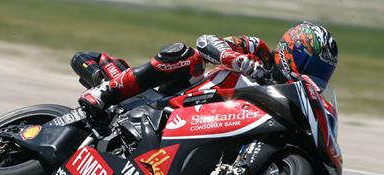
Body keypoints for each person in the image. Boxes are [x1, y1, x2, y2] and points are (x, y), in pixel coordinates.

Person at [70, 21, 338, 119]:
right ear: (292, 51)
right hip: (179, 99)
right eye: (313, 67)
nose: (315, 78)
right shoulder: (259, 51)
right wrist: (235, 59)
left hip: (217, 120)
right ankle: (107, 90)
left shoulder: (292, 97)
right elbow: (206, 41)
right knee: (187, 56)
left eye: (322, 73)